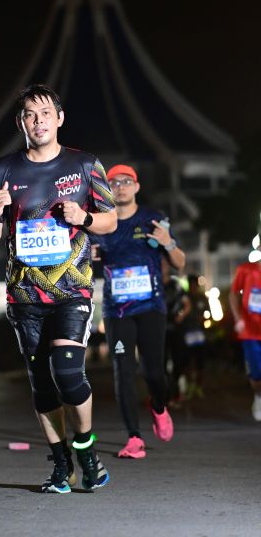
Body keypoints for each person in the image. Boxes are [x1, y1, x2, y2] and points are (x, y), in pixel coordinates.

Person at [0, 83, 117, 494]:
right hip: (24, 294)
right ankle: (61, 465)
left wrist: (84, 218)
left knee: (68, 373)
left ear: (59, 118)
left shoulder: (85, 164)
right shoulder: (2, 170)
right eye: (29, 115)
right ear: (20, 122)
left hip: (72, 289)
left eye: (44, 114)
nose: (37, 121)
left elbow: (110, 220)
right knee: (41, 382)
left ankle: (86, 450)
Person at [91, 164, 185, 459]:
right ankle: (133, 437)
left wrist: (168, 242)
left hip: (150, 307)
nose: (120, 187)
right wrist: (89, 256)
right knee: (123, 372)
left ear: (136, 187)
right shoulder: (99, 222)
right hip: (117, 311)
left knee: (153, 371)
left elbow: (180, 263)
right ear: (107, 188)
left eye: (126, 181)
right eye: (114, 182)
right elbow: (84, 260)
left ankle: (159, 407)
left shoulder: (152, 219)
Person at [229, 252, 261, 420]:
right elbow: (234, 293)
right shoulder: (245, 270)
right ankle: (259, 396)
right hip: (250, 331)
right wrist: (238, 318)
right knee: (256, 374)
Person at [162, 259, 191, 405]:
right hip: (159, 329)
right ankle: (165, 395)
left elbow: (187, 304)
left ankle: (177, 391)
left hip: (175, 327)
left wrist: (181, 316)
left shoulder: (176, 284)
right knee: (161, 363)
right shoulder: (153, 283)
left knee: (178, 360)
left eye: (165, 263)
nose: (162, 266)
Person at [180, 274, 210, 400]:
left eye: (194, 284)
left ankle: (198, 386)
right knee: (187, 361)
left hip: (199, 333)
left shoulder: (202, 298)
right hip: (187, 333)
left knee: (200, 361)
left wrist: (204, 320)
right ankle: (190, 385)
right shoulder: (184, 298)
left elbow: (208, 313)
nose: (193, 286)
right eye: (191, 284)